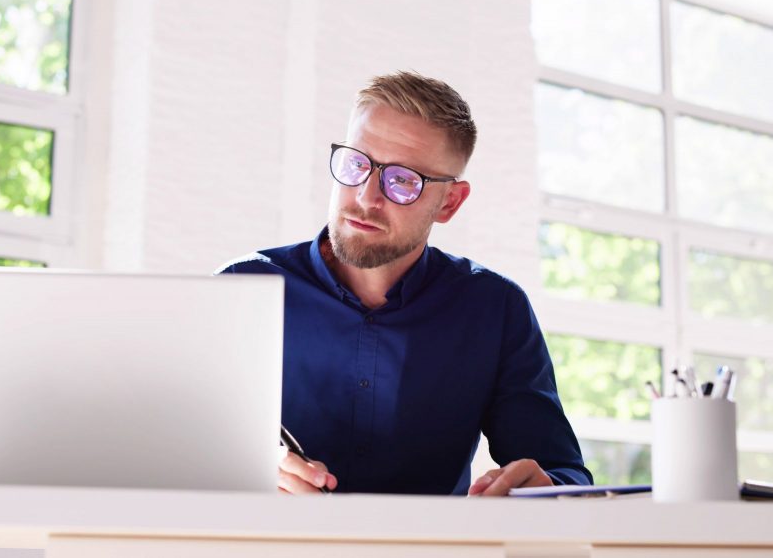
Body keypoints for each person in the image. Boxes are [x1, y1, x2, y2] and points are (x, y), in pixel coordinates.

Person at [218, 71, 591, 496]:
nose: (365, 197)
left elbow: (564, 476)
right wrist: (254, 469)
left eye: (402, 181)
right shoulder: (239, 288)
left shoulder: (495, 309)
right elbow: (177, 454)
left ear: (449, 202)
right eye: (356, 164)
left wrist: (546, 490)